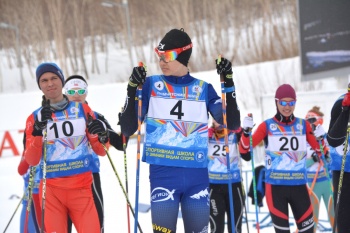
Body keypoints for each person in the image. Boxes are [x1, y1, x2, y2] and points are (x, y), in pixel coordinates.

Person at [119, 28, 241, 233]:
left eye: (167, 56)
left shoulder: (203, 89)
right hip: (163, 177)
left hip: (197, 178)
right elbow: (128, 127)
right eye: (159, 56)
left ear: (182, 55)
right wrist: (132, 88)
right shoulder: (151, 85)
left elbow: (233, 123)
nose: (162, 61)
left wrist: (228, 81)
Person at [23, 62, 109, 232]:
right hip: (51, 192)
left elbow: (101, 150)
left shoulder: (82, 109)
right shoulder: (34, 118)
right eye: (44, 80)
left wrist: (100, 135)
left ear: (62, 81)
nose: (50, 83)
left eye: (54, 78)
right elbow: (32, 160)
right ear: (39, 86)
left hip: (82, 188)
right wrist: (39, 132)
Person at [239, 84, 326, 233]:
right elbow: (245, 153)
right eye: (283, 103)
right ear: (276, 102)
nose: (287, 107)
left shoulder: (303, 125)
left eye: (291, 102)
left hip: (299, 187)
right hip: (276, 189)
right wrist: (246, 133)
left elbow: (322, 153)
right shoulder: (267, 126)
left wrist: (321, 138)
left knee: (308, 230)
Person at [64, 74, 127, 233]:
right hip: (61, 179)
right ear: (65, 93)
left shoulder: (96, 116)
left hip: (90, 177)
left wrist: (124, 126)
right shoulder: (56, 117)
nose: (76, 95)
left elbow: (121, 144)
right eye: (72, 92)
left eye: (80, 91)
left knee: (96, 226)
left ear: (86, 92)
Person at [208, 119, 250, 233]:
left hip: (234, 186)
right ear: (212, 120)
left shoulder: (235, 133)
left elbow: (247, 155)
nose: (220, 122)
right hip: (214, 187)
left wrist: (245, 132)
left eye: (223, 118)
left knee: (235, 228)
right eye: (217, 118)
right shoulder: (207, 134)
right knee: (216, 228)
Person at [305, 106, 334, 233]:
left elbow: (335, 160)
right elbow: (298, 164)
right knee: (312, 222)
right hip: (312, 184)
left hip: (328, 182)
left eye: (311, 120)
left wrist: (328, 157)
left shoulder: (326, 138)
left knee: (335, 218)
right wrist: (313, 159)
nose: (308, 123)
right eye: (306, 120)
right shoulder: (303, 140)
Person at [327, 88, 350, 233]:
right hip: (344, 170)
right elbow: (333, 139)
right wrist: (345, 111)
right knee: (344, 224)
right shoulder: (340, 102)